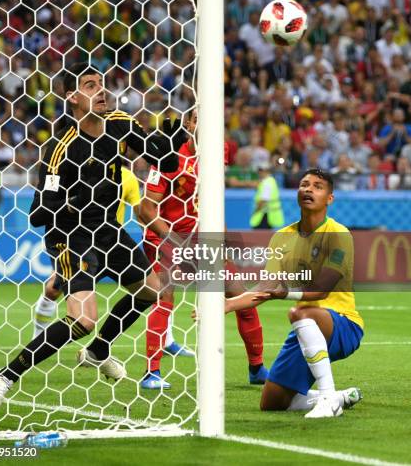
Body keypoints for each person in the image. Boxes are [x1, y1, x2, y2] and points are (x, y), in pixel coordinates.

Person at [0, 62, 184, 413]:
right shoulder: (61, 149)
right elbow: (39, 211)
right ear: (71, 97)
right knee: (83, 320)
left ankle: (99, 350)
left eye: (101, 84)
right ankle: (4, 376)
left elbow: (162, 161)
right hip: (72, 237)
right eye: (91, 86)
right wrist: (75, 201)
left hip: (110, 230)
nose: (101, 91)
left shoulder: (120, 124)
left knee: (154, 290)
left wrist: (172, 138)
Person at [139, 110, 267, 389]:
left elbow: (212, 198)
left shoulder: (219, 150)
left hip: (203, 238)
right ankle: (152, 373)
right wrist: (171, 238)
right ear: (188, 124)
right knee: (165, 297)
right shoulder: (168, 155)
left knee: (241, 297)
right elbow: (145, 209)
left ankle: (257, 368)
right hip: (168, 236)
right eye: (198, 118)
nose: (206, 123)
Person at [226, 169, 364, 418]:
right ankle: (340, 396)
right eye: (304, 184)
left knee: (301, 313)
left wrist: (283, 292)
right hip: (306, 328)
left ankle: (328, 399)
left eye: (318, 186)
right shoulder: (282, 238)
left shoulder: (339, 235)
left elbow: (321, 288)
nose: (309, 189)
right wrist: (227, 305)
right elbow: (265, 288)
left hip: (343, 325)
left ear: (329, 199)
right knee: (272, 403)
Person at [31, 164, 141, 338]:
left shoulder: (128, 177)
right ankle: (37, 335)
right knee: (53, 289)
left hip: (112, 244)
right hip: (82, 244)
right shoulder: (81, 172)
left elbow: (139, 209)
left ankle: (101, 346)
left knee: (147, 290)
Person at [249, 162, 285, 229]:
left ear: (265, 170)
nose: (258, 172)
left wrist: (255, 211)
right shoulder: (270, 181)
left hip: (264, 216)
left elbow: (263, 200)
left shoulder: (267, 183)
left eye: (260, 170)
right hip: (268, 216)